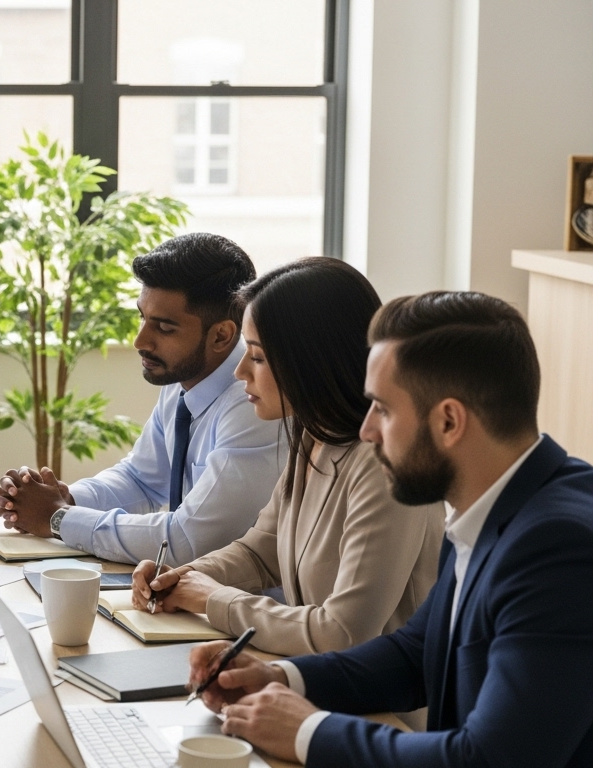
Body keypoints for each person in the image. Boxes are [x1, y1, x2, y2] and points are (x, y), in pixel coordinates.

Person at [186, 291, 593, 766]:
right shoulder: (495, 503)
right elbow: (415, 653)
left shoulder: (558, 547)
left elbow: (492, 759)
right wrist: (280, 678)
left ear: (448, 421)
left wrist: (308, 732)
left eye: (382, 408)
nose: (366, 431)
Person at [131, 258, 443, 656]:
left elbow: (342, 632)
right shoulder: (313, 434)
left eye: (257, 357)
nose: (241, 371)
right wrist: (182, 577)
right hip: (310, 682)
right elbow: (260, 552)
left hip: (386, 712)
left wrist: (211, 599)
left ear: (310, 362)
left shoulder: (385, 465)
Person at [0, 232, 282, 565]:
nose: (140, 340)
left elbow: (186, 541)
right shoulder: (182, 379)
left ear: (221, 335)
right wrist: (66, 497)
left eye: (164, 327)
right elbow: (141, 480)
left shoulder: (255, 402)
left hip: (247, 606)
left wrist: (57, 519)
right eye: (142, 317)